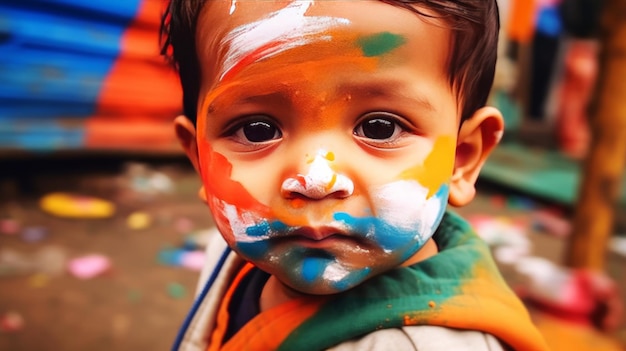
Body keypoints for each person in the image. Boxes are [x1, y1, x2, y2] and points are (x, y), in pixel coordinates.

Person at [161, 1, 550, 350]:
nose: (315, 179)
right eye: (257, 130)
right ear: (198, 157)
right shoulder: (230, 259)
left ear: (461, 159)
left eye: (379, 128)